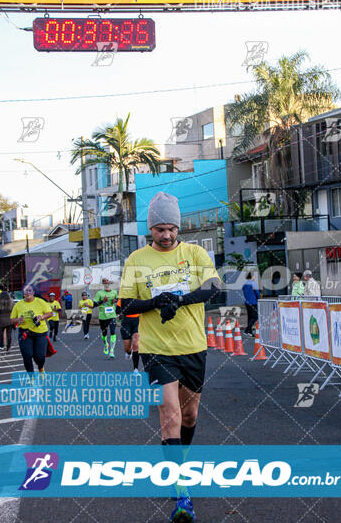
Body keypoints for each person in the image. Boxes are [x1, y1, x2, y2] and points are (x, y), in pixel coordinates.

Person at [118, 191, 221, 523]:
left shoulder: (195, 253)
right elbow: (126, 305)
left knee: (189, 415)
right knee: (170, 415)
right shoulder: (136, 260)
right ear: (151, 229)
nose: (166, 235)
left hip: (192, 346)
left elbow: (214, 286)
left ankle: (181, 462)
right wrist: (157, 303)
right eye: (160, 229)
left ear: (179, 228)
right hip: (156, 349)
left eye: (171, 229)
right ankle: (181, 493)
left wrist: (181, 299)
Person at [10, 284, 53, 375]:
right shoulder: (18, 305)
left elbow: (50, 313)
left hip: (40, 332)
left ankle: (41, 367)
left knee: (40, 357)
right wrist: (18, 320)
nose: (28, 292)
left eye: (30, 291)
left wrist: (41, 317)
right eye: (26, 291)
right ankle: (31, 376)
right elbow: (12, 319)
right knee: (27, 355)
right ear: (23, 293)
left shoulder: (40, 302)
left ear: (33, 292)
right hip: (25, 333)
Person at [93, 279, 118, 357]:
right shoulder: (99, 293)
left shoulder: (114, 292)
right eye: (104, 282)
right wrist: (102, 301)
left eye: (107, 282)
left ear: (109, 283)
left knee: (113, 331)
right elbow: (94, 304)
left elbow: (117, 300)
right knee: (104, 334)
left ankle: (112, 350)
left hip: (112, 315)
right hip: (103, 317)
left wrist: (115, 301)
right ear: (103, 284)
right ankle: (106, 344)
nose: (106, 283)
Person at [116, 298, 140, 373]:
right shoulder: (123, 299)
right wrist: (121, 313)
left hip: (137, 321)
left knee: (136, 344)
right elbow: (117, 310)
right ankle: (129, 352)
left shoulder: (139, 298)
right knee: (127, 348)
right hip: (126, 322)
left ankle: (135, 369)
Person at [242, 272, 260, 336]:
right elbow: (257, 293)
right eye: (254, 276)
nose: (254, 277)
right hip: (253, 302)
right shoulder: (253, 283)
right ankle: (247, 330)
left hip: (247, 302)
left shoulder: (244, 284)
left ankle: (249, 331)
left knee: (250, 317)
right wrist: (259, 298)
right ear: (252, 276)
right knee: (255, 316)